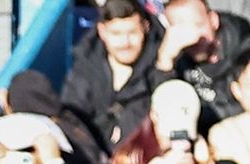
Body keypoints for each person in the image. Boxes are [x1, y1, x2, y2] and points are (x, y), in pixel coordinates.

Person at [63, 0, 171, 148]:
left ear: (145, 27)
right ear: (102, 31)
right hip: (94, 160)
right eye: (116, 33)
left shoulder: (161, 66)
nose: (125, 42)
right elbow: (72, 118)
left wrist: (165, 69)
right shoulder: (85, 67)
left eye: (132, 33)